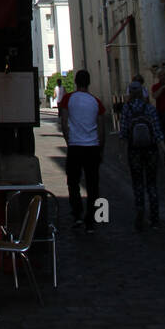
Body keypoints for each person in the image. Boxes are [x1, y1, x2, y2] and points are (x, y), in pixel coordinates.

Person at [58, 68, 106, 232]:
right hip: (92, 147)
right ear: (89, 82)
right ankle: (91, 220)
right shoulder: (96, 102)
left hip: (75, 146)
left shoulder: (68, 99)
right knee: (93, 184)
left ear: (76, 82)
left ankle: (77, 214)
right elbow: (101, 128)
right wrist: (101, 149)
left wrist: (68, 140)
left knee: (73, 182)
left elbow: (64, 123)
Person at [119, 80, 165, 230]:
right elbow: (158, 133)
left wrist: (121, 153)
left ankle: (140, 209)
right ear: (142, 93)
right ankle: (154, 218)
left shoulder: (127, 109)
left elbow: (123, 133)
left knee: (138, 183)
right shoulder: (150, 108)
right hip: (151, 150)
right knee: (152, 183)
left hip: (134, 150)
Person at [151, 71, 165, 148]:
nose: (163, 77)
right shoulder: (155, 86)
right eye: (161, 76)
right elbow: (155, 96)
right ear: (158, 77)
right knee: (163, 133)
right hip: (161, 113)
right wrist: (162, 88)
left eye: (164, 75)